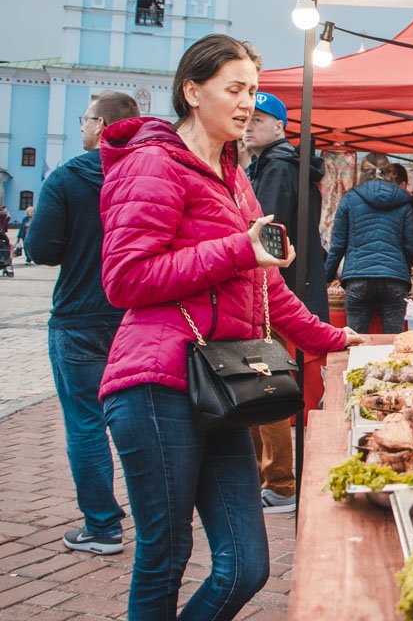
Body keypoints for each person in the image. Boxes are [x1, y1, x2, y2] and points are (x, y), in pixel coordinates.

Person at [98, 34, 362, 619]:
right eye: (235, 89)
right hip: (156, 384)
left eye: (253, 91)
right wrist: (237, 250)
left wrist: (333, 337)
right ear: (193, 91)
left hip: (221, 384)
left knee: (246, 565)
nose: (247, 103)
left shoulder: (234, 176)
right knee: (165, 556)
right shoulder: (152, 162)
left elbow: (266, 286)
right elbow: (125, 279)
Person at [25, 91, 139, 555]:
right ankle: (157, 524)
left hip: (79, 316)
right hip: (135, 317)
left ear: (102, 125)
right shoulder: (149, 173)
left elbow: (40, 250)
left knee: (86, 423)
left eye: (86, 119)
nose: (82, 127)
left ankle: (103, 525)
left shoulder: (68, 177)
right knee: (138, 421)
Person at [242, 90, 330, 513]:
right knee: (265, 379)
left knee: (264, 382)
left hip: (273, 290)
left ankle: (279, 483)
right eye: (247, 119)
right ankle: (271, 479)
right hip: (286, 287)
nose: (248, 126)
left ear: (279, 126)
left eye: (258, 120)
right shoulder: (279, 164)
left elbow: (265, 233)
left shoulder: (277, 166)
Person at [326, 153, 413, 334]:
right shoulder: (403, 202)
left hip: (358, 278)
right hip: (394, 279)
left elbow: (337, 246)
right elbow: (410, 246)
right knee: (394, 342)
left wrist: (327, 277)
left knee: (355, 340)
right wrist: (404, 270)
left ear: (363, 171)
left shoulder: (350, 199)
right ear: (390, 171)